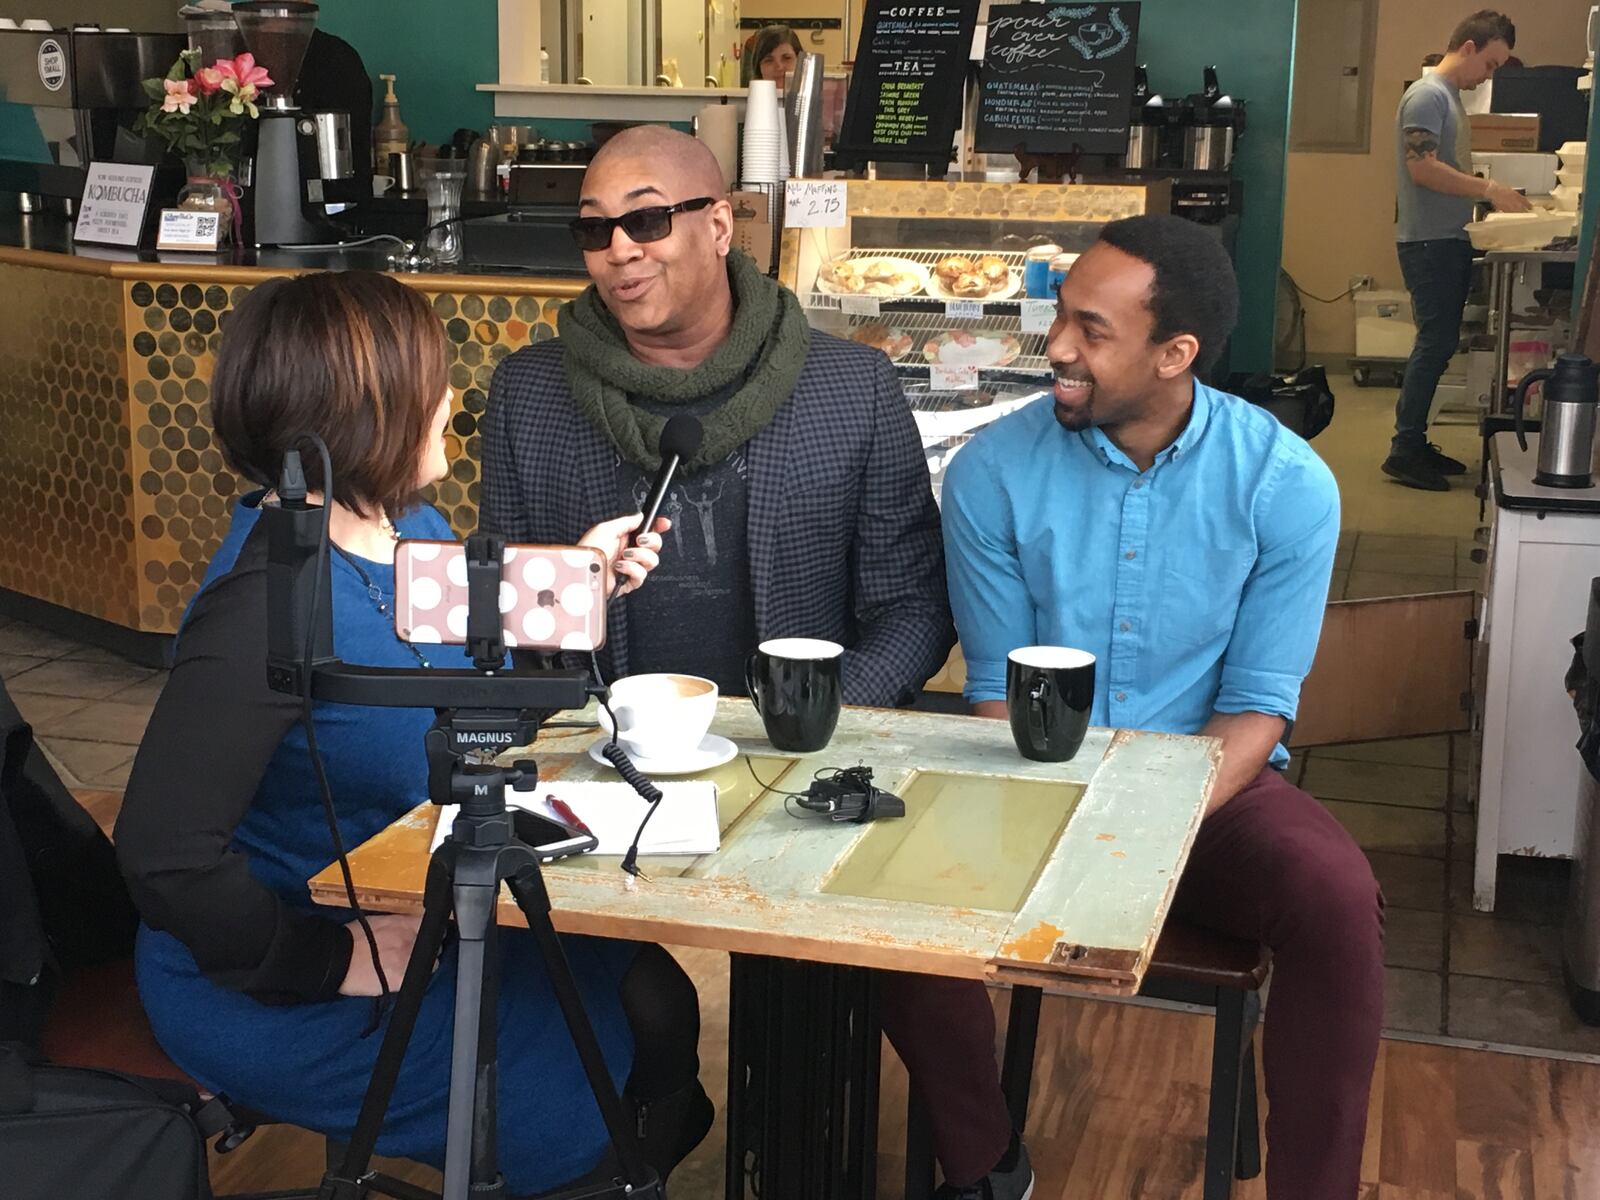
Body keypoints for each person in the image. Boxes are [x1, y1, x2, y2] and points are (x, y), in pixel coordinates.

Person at [477, 127, 1030, 1198]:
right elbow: (506, 611)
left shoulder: (848, 389)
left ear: (719, 224)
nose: (619, 252)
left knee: (903, 949)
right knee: (534, 946)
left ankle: (982, 1163)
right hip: (606, 762)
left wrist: (820, 716)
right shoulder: (533, 392)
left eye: (647, 219)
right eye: (594, 230)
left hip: (806, 758)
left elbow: (913, 610)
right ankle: (642, 1112)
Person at [115, 270, 710, 1195]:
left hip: (416, 903)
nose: (450, 401)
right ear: (362, 407)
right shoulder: (264, 610)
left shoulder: (408, 529)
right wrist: (331, 959)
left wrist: (581, 577)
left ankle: (634, 1156)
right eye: (430, 382)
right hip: (280, 974)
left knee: (656, 997)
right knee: (568, 1095)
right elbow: (163, 856)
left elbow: (469, 682)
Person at [941, 214, 1384, 1200]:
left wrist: (1143, 824)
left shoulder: (1285, 485)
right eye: (1061, 316)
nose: (1055, 345)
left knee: (1335, 898)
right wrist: (1063, 823)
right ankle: (981, 1160)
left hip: (1208, 794)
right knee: (889, 897)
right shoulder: (989, 473)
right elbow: (991, 697)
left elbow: (1257, 713)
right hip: (1033, 781)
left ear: (1175, 353)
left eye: (1091, 330)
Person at [1386, 9, 1532, 491]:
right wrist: (1488, 190)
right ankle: (1404, 449)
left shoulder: (1445, 97)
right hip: (1428, 241)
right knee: (1434, 344)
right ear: (1468, 47)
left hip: (1443, 237)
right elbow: (1422, 169)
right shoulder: (1429, 96)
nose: (1488, 76)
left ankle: (1414, 440)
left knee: (1439, 342)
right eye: (1490, 65)